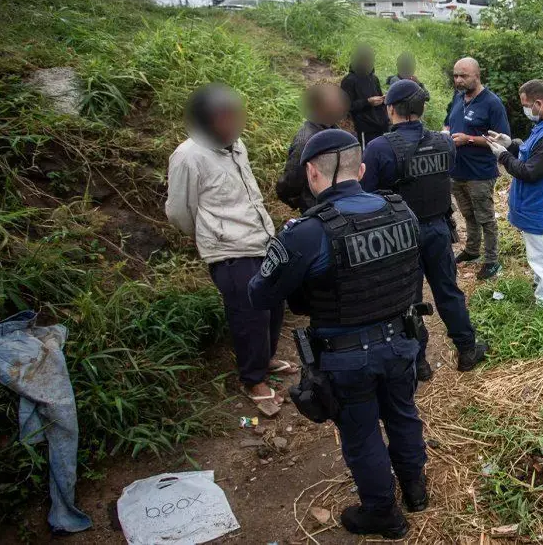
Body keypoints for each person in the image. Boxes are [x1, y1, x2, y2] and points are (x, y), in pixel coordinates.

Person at [247, 129, 428, 538]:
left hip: (348, 357)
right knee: (402, 414)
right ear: (360, 169)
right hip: (401, 342)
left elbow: (259, 294)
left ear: (311, 173)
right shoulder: (401, 210)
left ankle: (384, 514)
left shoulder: (307, 233)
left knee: (361, 433)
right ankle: (417, 491)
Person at [165, 84, 289, 416]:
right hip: (230, 250)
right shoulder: (188, 156)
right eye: (225, 117)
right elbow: (178, 211)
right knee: (248, 316)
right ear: (205, 119)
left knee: (273, 306)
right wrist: (210, 236)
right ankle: (253, 380)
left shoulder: (236, 146)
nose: (233, 123)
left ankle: (266, 358)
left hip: (261, 241)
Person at [362, 79, 489, 381]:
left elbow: (365, 197)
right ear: (421, 109)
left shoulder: (379, 149)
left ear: (390, 109)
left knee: (408, 299)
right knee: (448, 290)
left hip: (399, 237)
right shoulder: (444, 142)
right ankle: (467, 349)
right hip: (437, 229)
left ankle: (418, 362)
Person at [485, 79, 543, 305]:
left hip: (540, 206)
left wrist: (503, 156)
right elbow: (533, 152)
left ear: (538, 103)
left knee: (542, 257)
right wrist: (513, 144)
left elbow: (530, 171)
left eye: (526, 105)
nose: (525, 110)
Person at [443, 57, 510, 281]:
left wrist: (469, 139)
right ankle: (472, 250)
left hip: (480, 172)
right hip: (457, 169)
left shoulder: (492, 103)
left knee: (485, 218)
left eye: (464, 76)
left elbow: (503, 141)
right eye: (455, 76)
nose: (458, 80)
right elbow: (448, 121)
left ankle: (491, 261)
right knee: (467, 214)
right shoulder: (458, 97)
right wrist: (445, 133)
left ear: (477, 76)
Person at [276, 83, 350, 211]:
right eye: (335, 102)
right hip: (316, 206)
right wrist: (293, 199)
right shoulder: (306, 140)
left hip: (337, 203)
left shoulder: (332, 128)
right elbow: (293, 179)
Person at [341, 45, 388, 147]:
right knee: (367, 158)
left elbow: (380, 99)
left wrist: (384, 99)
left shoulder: (374, 79)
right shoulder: (349, 80)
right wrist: (367, 102)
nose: (366, 63)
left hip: (382, 127)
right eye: (363, 59)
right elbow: (346, 106)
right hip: (365, 129)